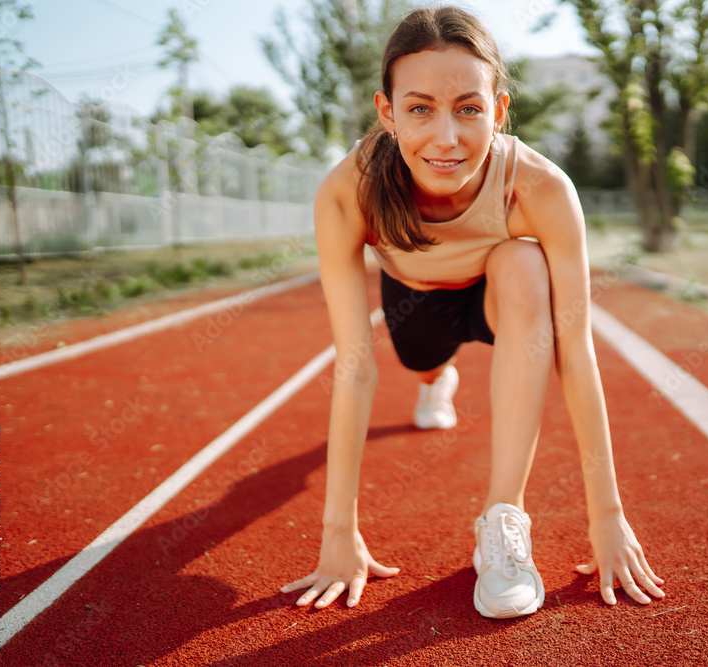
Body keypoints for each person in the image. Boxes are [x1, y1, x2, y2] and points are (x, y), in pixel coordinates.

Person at [280, 6, 665, 619]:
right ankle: (439, 379)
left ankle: (502, 522)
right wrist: (338, 533)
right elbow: (355, 365)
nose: (447, 137)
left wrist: (608, 518)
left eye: (468, 108)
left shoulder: (538, 187)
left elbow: (576, 349)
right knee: (423, 362)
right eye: (419, 108)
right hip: (416, 305)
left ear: (499, 110)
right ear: (387, 112)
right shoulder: (346, 190)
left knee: (522, 261)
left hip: (497, 295)